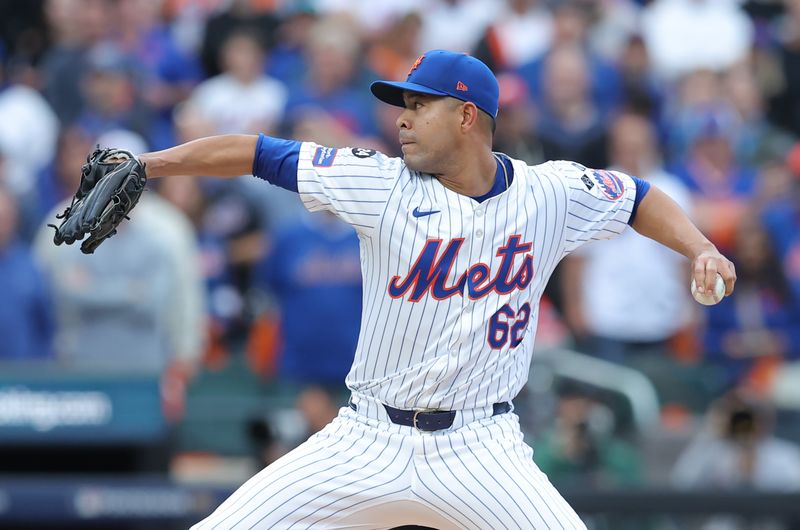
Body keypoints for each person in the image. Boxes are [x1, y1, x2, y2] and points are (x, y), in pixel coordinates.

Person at [121, 50, 735, 528]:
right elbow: (257, 152)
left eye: (419, 104)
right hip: (365, 439)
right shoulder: (379, 183)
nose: (402, 118)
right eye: (400, 104)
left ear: (468, 116)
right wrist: (146, 166)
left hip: (480, 448)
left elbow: (638, 199)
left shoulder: (550, 192)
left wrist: (700, 247)